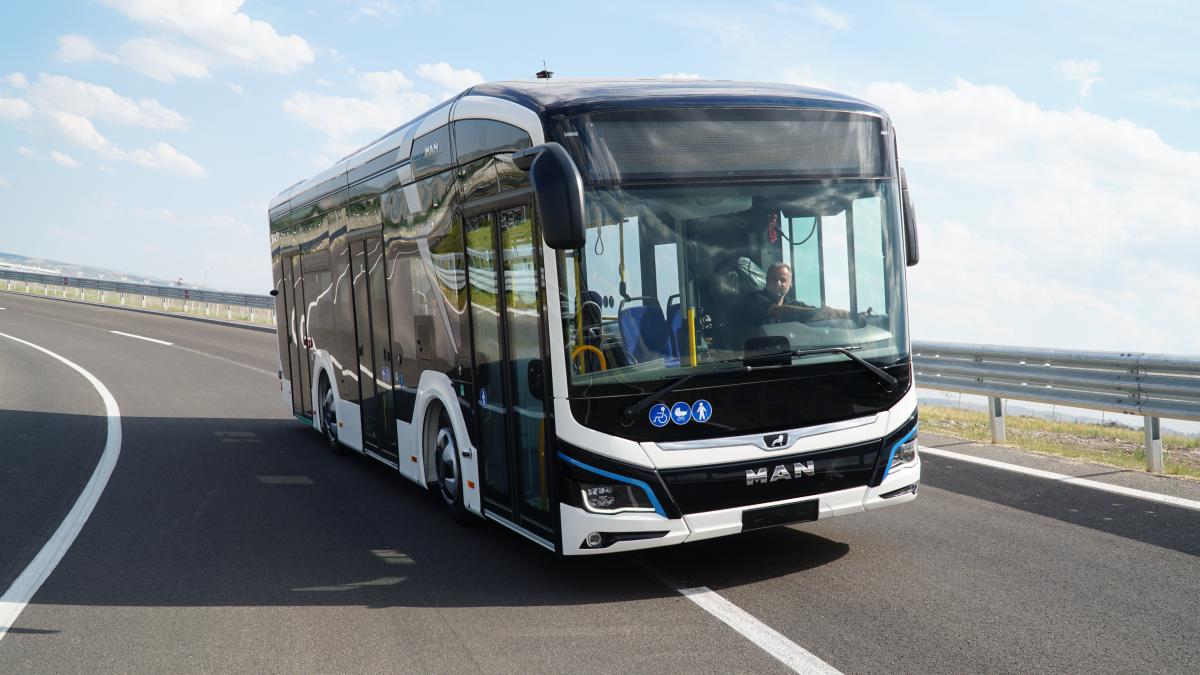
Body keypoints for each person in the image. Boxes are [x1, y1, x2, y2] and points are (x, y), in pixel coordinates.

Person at [747, 262, 865, 324]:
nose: (778, 283)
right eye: (773, 278)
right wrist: (817, 312)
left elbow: (822, 313)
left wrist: (851, 315)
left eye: (782, 280)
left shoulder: (794, 304)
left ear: (790, 284)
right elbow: (776, 311)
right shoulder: (755, 298)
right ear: (766, 280)